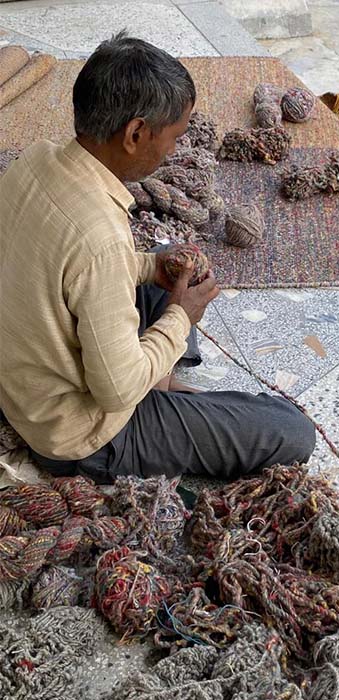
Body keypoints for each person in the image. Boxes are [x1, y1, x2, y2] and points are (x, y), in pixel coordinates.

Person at [0, 33, 315, 484]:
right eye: (175, 135)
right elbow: (116, 391)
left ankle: (163, 381)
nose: (174, 149)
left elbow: (66, 270)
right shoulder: (99, 239)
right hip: (78, 438)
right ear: (135, 133)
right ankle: (161, 393)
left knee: (164, 260)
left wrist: (151, 268)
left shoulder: (34, 159)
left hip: (22, 382)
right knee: (290, 429)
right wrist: (179, 319)